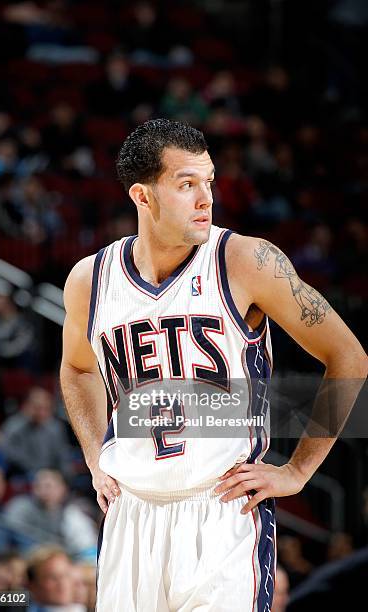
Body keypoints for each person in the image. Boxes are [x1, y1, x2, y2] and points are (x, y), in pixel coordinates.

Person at [60, 118, 366, 611]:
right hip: (129, 515)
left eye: (209, 183)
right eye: (187, 185)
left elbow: (348, 355)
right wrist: (96, 459)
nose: (206, 198)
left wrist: (298, 471)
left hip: (221, 512)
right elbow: (76, 369)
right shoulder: (89, 280)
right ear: (143, 196)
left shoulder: (246, 260)